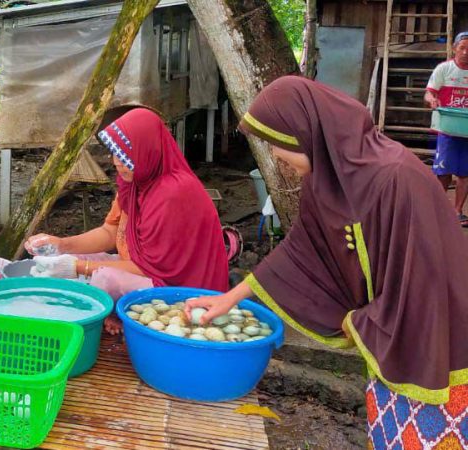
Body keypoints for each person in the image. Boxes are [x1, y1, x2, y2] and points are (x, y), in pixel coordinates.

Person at [185, 76, 468, 448]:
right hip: (384, 340)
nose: (276, 157)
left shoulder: (397, 177)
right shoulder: (325, 180)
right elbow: (302, 249)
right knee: (386, 434)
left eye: (278, 145)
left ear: (306, 133)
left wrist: (366, 323)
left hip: (433, 340)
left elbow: (429, 277)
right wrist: (230, 297)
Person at [26, 108, 229, 334]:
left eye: (124, 156)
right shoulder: (135, 182)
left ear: (147, 151)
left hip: (182, 292)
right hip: (142, 269)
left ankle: (98, 323)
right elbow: (111, 232)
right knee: (67, 259)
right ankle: (109, 314)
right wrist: (62, 245)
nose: (116, 162)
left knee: (103, 276)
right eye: (115, 154)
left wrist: (78, 268)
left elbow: (150, 270)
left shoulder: (172, 193)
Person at [424, 31, 468, 225]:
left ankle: (457, 212)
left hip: (466, 131)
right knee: (443, 172)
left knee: (464, 173)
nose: (466, 52)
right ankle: (437, 210)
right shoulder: (444, 69)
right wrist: (432, 100)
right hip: (446, 129)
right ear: (454, 49)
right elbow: (429, 93)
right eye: (462, 48)